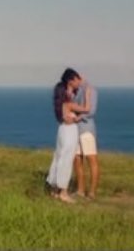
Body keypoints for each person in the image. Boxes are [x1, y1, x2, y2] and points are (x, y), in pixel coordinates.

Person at [46, 68, 90, 204]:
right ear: (71, 81)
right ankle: (63, 192)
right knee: (66, 159)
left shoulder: (62, 101)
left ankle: (54, 190)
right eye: (77, 80)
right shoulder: (69, 103)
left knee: (59, 157)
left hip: (62, 130)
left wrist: (78, 84)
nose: (79, 82)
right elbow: (87, 108)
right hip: (70, 131)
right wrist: (87, 94)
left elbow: (73, 89)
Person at [73, 77, 99, 199]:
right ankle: (80, 190)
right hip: (76, 130)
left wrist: (80, 117)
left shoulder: (91, 90)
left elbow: (91, 111)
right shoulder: (76, 91)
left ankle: (92, 192)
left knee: (91, 160)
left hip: (86, 129)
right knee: (77, 160)